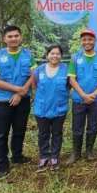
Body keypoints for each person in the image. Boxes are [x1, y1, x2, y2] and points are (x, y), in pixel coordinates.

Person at [0, 25, 35, 177]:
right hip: (3, 101)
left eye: (16, 36)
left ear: (21, 37)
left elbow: (33, 76)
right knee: (2, 134)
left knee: (20, 130)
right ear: (4, 39)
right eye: (10, 36)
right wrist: (17, 90)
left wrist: (21, 93)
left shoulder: (28, 54)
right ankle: (2, 165)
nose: (13, 39)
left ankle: (17, 157)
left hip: (23, 99)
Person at [66, 28, 97, 164]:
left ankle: (89, 151)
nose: (87, 42)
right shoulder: (75, 58)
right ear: (81, 41)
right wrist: (83, 95)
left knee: (93, 126)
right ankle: (76, 152)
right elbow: (72, 79)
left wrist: (94, 94)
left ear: (95, 41)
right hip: (79, 99)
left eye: (90, 39)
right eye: (84, 39)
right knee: (77, 127)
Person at [32, 44, 70, 172]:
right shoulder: (39, 70)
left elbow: (69, 86)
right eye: (52, 53)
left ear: (61, 55)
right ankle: (44, 156)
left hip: (59, 109)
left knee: (57, 134)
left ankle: (54, 157)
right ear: (47, 55)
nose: (55, 56)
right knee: (43, 134)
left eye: (57, 53)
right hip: (41, 108)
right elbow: (35, 86)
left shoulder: (66, 69)